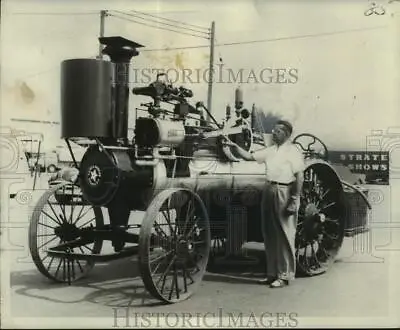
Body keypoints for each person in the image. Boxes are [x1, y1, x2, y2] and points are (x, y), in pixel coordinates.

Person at [222, 120, 305, 288]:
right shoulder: (271, 151)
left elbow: (300, 176)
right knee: (269, 234)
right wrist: (231, 145)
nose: (273, 134)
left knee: (284, 235)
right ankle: (271, 274)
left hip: (284, 191)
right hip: (268, 189)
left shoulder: (293, 151)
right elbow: (248, 156)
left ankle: (284, 275)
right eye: (273, 131)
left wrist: (294, 199)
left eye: (277, 132)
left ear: (286, 134)